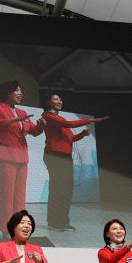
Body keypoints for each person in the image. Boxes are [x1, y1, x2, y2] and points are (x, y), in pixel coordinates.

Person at [40, 92, 108, 231]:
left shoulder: (60, 118)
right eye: (56, 99)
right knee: (57, 189)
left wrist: (82, 135)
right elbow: (69, 124)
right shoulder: (48, 116)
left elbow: (70, 139)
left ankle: (64, 221)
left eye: (60, 99)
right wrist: (91, 121)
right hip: (54, 155)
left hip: (65, 156)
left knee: (67, 190)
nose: (60, 101)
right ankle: (54, 222)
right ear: (48, 103)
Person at [0, 81, 46, 238]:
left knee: (20, 195)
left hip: (21, 157)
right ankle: (5, 228)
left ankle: (18, 227)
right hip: (4, 156)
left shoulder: (21, 112)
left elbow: (33, 131)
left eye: (21, 91)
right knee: (7, 193)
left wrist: (41, 126)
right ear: (7, 93)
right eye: (16, 91)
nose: (20, 93)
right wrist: (14, 120)